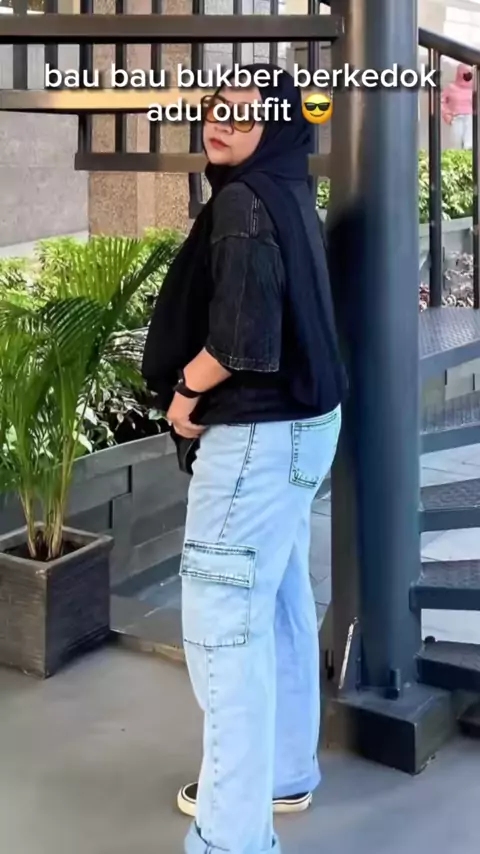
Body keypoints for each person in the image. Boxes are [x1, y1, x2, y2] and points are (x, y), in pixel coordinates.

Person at [142, 63, 347, 854]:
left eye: (242, 114)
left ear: (280, 124)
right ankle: (283, 772)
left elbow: (240, 341)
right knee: (281, 601)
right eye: (215, 108)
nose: (220, 124)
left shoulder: (240, 203)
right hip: (305, 426)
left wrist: (184, 397)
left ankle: (230, 837)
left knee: (224, 629)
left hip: (256, 438)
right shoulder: (288, 186)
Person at [441, 62, 473, 150]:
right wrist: (446, 114)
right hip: (456, 117)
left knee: (469, 144)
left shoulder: (473, 89)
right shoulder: (451, 87)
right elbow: (441, 101)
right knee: (456, 143)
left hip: (470, 118)